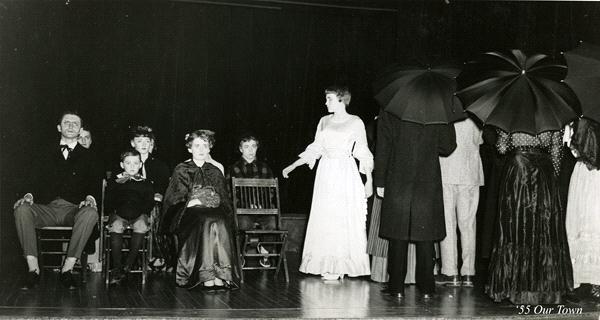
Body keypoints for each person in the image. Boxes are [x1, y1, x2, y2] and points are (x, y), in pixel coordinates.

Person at [282, 85, 373, 281]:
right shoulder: (324, 121)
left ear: (341, 99)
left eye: (329, 98)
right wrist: (293, 165)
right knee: (326, 216)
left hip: (345, 172)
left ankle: (341, 265)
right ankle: (325, 263)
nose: (325, 102)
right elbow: (316, 148)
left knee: (342, 217)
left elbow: (363, 152)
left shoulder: (355, 122)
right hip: (326, 172)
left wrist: (369, 181)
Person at [374, 110, 456, 299]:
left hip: (397, 179)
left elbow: (383, 149)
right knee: (425, 234)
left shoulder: (391, 109)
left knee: (397, 233)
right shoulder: (438, 110)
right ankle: (427, 287)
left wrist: (380, 181)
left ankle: (396, 287)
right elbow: (448, 147)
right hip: (427, 180)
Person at [14, 111, 99, 290]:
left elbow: (94, 184)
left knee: (91, 213)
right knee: (21, 209)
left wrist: (89, 198)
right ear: (59, 127)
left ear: (81, 129)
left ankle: (66, 271)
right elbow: (30, 179)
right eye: (66, 122)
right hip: (47, 209)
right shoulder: (42, 153)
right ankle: (33, 270)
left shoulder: (91, 156)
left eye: (75, 123)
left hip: (73, 209)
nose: (70, 126)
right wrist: (28, 195)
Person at [487, 129, 573, 304]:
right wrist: (551, 177)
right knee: (543, 227)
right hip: (544, 172)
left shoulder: (511, 113)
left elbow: (502, 148)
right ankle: (544, 290)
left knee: (515, 226)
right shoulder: (549, 114)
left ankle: (513, 288)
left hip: (518, 170)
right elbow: (557, 152)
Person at [161, 130, 240, 290]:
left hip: (212, 210)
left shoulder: (215, 170)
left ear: (210, 148)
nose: (201, 149)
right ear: (189, 148)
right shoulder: (181, 169)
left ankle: (222, 274)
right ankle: (206, 275)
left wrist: (215, 202)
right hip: (187, 213)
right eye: (197, 146)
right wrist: (193, 201)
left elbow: (224, 199)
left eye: (205, 145)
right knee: (206, 220)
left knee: (221, 219)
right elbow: (174, 199)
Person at [437, 118, 484, 287]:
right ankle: (469, 273)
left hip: (447, 172)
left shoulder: (445, 115)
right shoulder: (477, 116)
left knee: (448, 224)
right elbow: (479, 140)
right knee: (468, 225)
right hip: (470, 173)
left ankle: (450, 273)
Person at [104, 150, 155, 285]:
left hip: (138, 214)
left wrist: (141, 212)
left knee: (142, 225)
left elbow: (149, 202)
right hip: (119, 214)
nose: (132, 166)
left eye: (135, 163)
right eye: (128, 163)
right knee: (116, 226)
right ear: (122, 164)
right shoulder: (115, 181)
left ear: (140, 165)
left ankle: (128, 265)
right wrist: (114, 211)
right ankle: (117, 266)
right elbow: (108, 200)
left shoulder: (145, 182)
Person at [226, 135, 275, 268]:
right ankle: (240, 254)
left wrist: (262, 204)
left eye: (253, 146)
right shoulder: (234, 168)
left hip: (262, 209)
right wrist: (247, 205)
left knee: (272, 222)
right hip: (243, 210)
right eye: (246, 147)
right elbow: (232, 193)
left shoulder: (265, 168)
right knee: (243, 223)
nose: (250, 150)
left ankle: (265, 252)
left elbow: (270, 191)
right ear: (240, 149)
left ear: (257, 148)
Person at [565, 118, 600, 300]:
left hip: (589, 176)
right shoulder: (583, 118)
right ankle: (582, 279)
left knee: (592, 221)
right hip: (586, 175)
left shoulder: (582, 118)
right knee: (583, 221)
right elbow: (574, 148)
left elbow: (574, 147)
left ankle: (589, 280)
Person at [128, 126, 171, 271]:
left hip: (153, 203)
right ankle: (136, 258)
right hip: (132, 203)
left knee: (156, 210)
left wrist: (158, 195)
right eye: (139, 141)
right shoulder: (127, 163)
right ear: (133, 143)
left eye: (147, 141)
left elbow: (164, 187)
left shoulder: (160, 165)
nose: (144, 144)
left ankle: (155, 255)